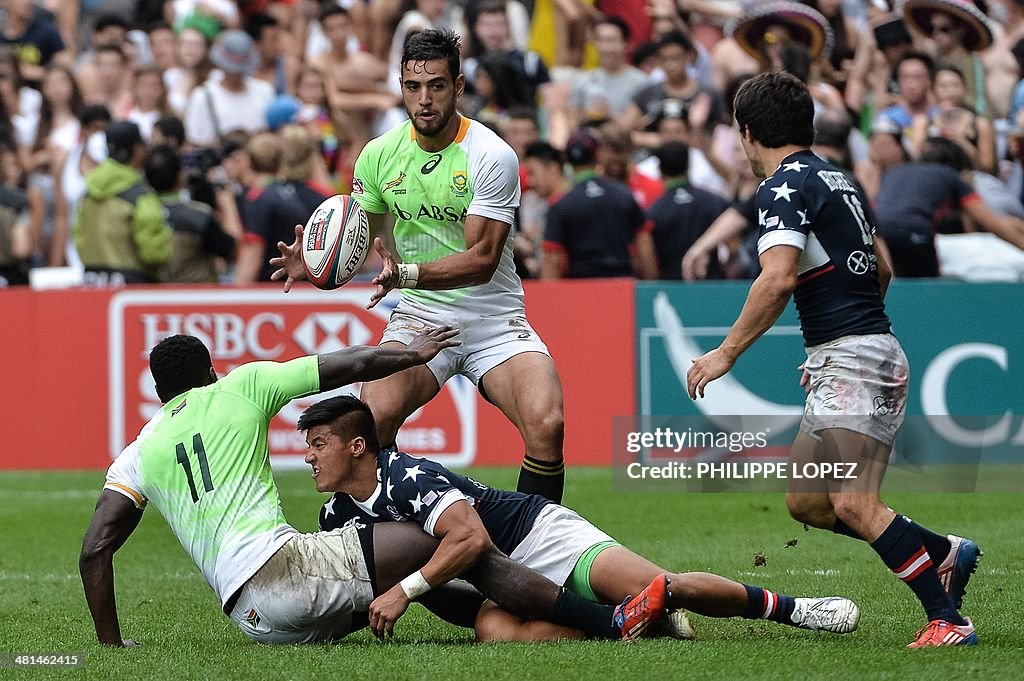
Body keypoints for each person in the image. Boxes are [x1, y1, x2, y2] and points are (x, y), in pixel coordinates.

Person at [80, 329, 661, 646]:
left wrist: (111, 644)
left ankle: (506, 615)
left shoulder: (138, 450)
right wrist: (413, 354)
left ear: (158, 392)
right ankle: (605, 620)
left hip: (253, 620)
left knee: (398, 566)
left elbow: (95, 550)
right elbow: (349, 365)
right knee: (449, 537)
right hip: (286, 573)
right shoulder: (238, 387)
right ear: (210, 372)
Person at [686, 71, 982, 648]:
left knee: (852, 501)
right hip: (852, 353)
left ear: (746, 133)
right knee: (810, 503)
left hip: (852, 358)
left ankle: (947, 621)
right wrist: (843, 343)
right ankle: (944, 551)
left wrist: (726, 354)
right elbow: (883, 270)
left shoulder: (780, 187)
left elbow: (775, 281)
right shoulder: (840, 179)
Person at [270, 30, 568, 503]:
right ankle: (378, 543)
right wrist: (315, 261)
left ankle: (544, 548)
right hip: (420, 316)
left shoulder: (491, 155)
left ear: (458, 86)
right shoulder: (378, 154)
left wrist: (405, 274)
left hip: (494, 316)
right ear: (402, 86)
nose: (424, 99)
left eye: (437, 86)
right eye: (413, 86)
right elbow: (359, 232)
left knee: (547, 423)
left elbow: (482, 261)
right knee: (373, 419)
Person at [309, 394, 862, 641]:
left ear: (358, 446)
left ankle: (795, 610)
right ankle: (630, 625)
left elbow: (471, 540)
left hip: (542, 540)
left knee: (665, 587)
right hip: (496, 585)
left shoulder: (407, 476)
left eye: (319, 443)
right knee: (504, 637)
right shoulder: (334, 511)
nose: (309, 455)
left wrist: (404, 591)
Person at [73, 120, 170, 284]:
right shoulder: (141, 197)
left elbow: (79, 239)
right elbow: (153, 253)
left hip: (91, 285)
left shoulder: (88, 194)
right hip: (133, 290)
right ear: (137, 150)